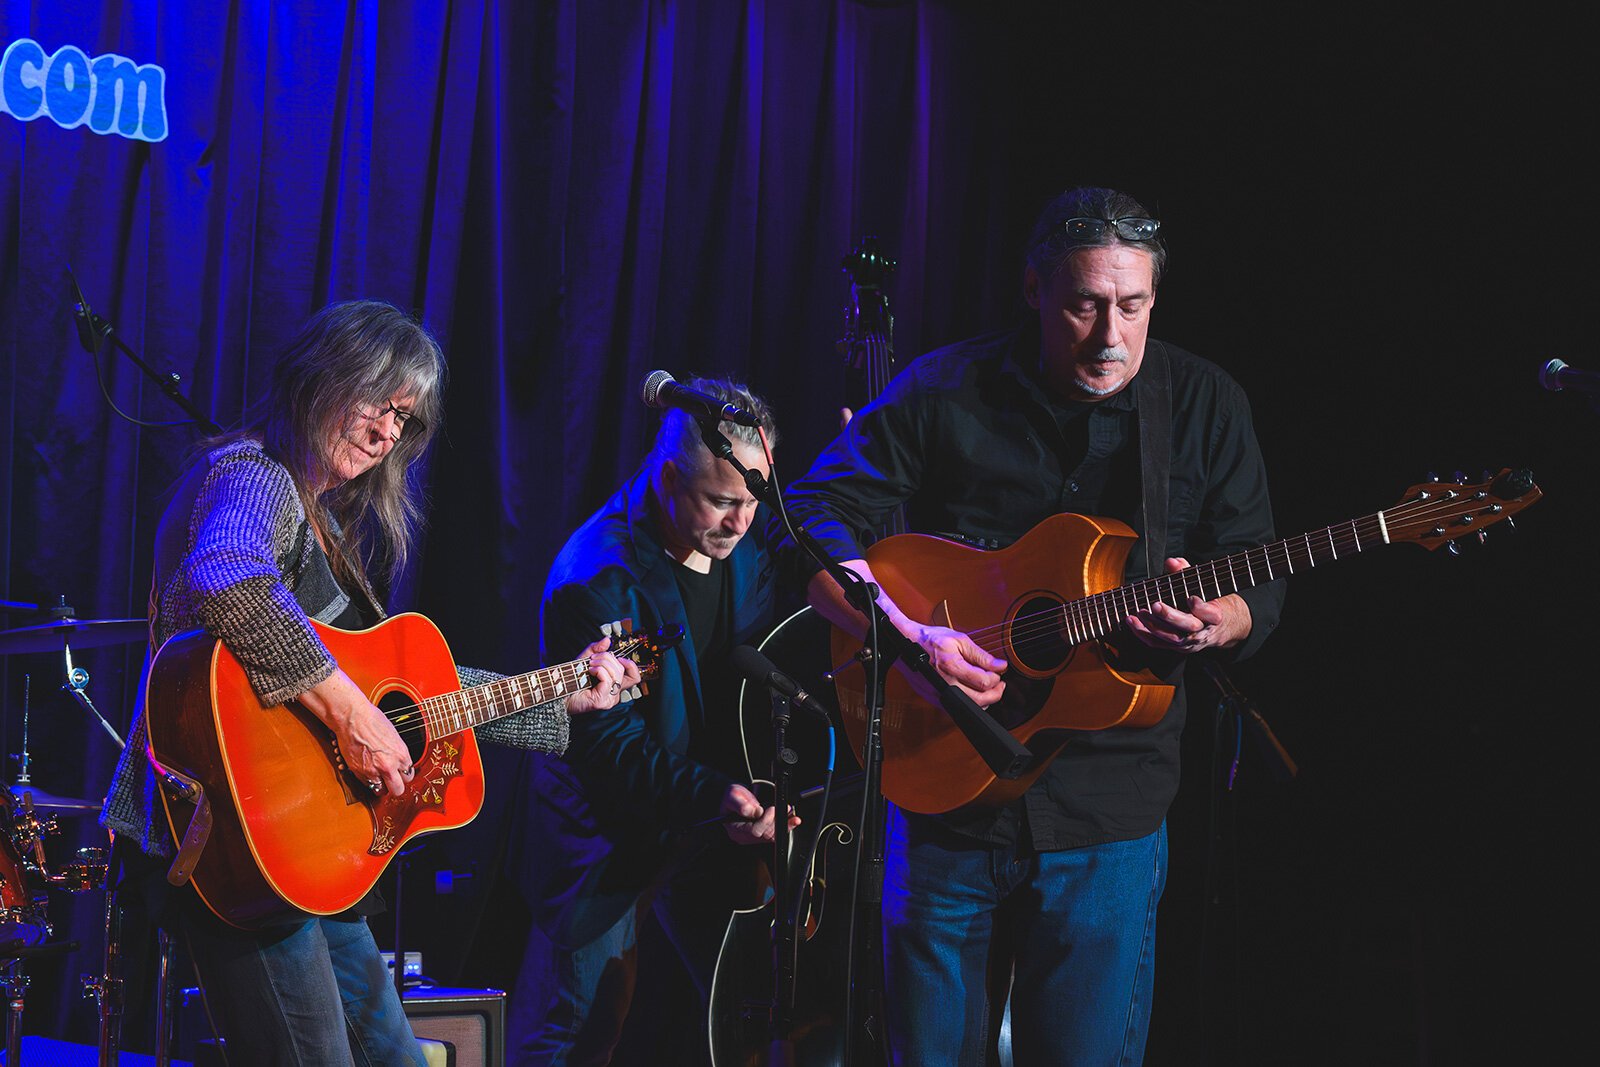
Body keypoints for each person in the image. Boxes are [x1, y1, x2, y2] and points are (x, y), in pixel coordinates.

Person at [779, 186, 1286, 1066]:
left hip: (1109, 806)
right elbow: (808, 516)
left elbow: (1257, 570)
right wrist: (906, 636)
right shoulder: (947, 387)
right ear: (1033, 290)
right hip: (943, 790)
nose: (1110, 335)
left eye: (1133, 306)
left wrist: (1221, 620)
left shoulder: (1205, 404)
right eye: (1084, 304)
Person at [99, 299, 641, 1067]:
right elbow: (229, 575)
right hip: (234, 837)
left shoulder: (317, 521)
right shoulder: (253, 474)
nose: (389, 431)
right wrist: (353, 715)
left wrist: (561, 696)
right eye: (379, 402)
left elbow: (414, 698)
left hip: (307, 849)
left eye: (405, 418)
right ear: (323, 376)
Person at [509, 378, 790, 1066]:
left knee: (752, 1011)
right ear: (668, 479)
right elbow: (612, 748)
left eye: (754, 499)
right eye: (722, 501)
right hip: (607, 828)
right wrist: (718, 795)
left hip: (703, 814)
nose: (742, 522)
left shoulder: (741, 534)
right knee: (577, 1031)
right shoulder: (596, 577)